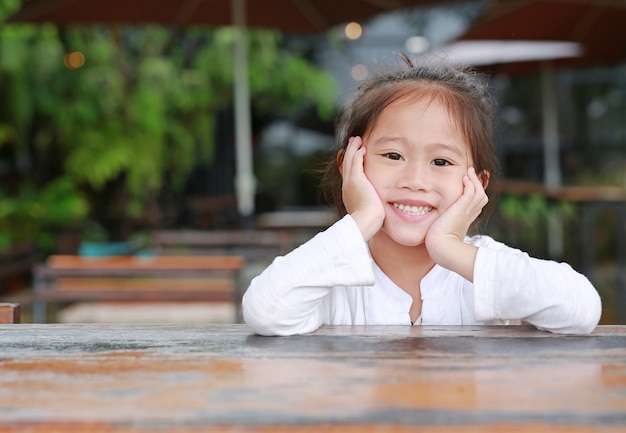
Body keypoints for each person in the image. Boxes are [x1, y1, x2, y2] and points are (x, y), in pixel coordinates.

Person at [242, 54, 602, 336]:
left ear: (477, 184)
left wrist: (447, 246)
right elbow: (265, 311)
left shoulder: (482, 264)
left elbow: (581, 309)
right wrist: (362, 220)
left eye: (441, 161)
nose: (415, 180)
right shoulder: (329, 274)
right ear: (350, 165)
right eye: (393, 156)